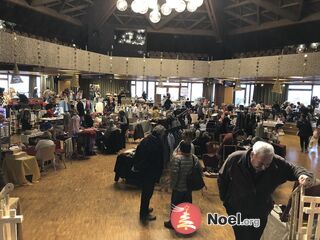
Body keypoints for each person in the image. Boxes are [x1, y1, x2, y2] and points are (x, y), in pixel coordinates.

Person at [218, 141, 314, 240]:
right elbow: (222, 178)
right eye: (260, 163)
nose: (264, 167)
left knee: (255, 236)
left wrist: (302, 175)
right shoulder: (234, 159)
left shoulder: (276, 162)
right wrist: (225, 199)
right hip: (237, 208)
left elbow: (294, 169)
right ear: (252, 154)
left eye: (267, 164)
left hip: (260, 210)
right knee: (241, 235)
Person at [164, 141, 202, 229]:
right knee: (187, 205)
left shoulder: (177, 158)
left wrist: (172, 185)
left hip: (179, 187)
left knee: (175, 205)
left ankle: (173, 222)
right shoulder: (194, 158)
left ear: (180, 148)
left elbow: (174, 174)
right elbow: (200, 170)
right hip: (189, 187)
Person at [133, 125, 166, 223]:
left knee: (147, 192)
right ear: (160, 134)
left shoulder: (147, 139)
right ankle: (143, 214)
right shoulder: (154, 143)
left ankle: (145, 209)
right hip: (149, 171)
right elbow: (156, 159)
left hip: (146, 170)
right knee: (147, 193)